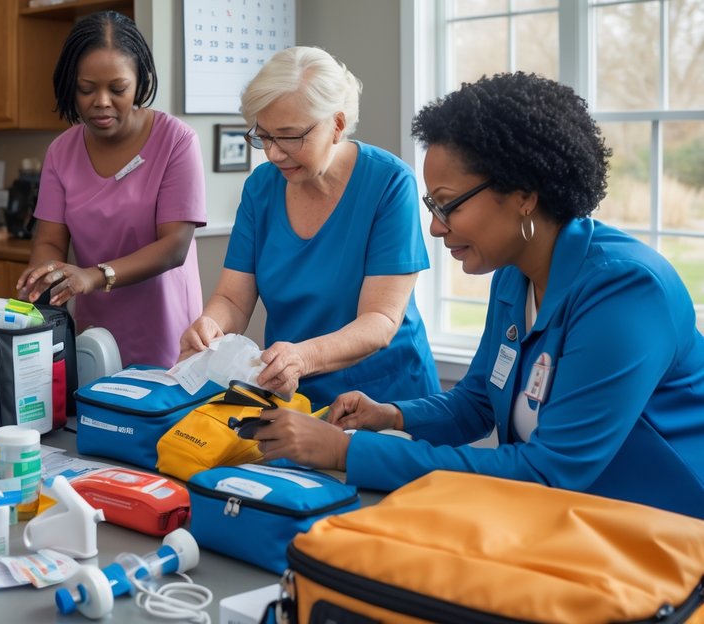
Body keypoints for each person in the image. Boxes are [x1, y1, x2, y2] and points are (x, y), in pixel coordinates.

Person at [255, 72, 704, 518]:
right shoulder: (513, 277)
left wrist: (347, 453)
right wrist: (390, 416)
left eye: (448, 205)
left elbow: (548, 471)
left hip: (667, 534)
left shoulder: (624, 291)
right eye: (432, 206)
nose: (434, 226)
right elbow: (475, 404)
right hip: (573, 523)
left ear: (524, 194)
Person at [179, 46, 439, 408]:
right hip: (292, 396)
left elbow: (380, 320)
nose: (273, 153)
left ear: (337, 124)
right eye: (264, 135)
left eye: (289, 136)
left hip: (386, 399)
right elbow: (232, 298)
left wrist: (303, 357)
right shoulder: (261, 188)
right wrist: (210, 325)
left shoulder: (390, 183)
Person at [16, 11, 205, 367]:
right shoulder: (61, 151)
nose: (101, 101)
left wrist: (93, 276)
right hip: (96, 333)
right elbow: (51, 241)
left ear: (139, 81)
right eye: (86, 89)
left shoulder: (176, 141)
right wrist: (40, 281)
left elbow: (174, 246)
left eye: (117, 89)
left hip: (166, 332)